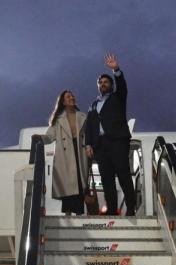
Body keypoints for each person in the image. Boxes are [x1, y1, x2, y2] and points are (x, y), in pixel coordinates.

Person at [85, 53, 137, 216]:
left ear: (111, 85)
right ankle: (112, 211)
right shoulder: (93, 104)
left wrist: (116, 69)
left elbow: (122, 86)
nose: (103, 84)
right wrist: (88, 144)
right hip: (100, 146)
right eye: (100, 83)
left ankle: (131, 208)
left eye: (106, 82)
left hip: (117, 142)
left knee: (123, 175)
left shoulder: (118, 98)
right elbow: (89, 126)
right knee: (107, 179)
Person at [42, 90, 90, 215]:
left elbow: (89, 135)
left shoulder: (83, 116)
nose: (72, 98)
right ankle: (68, 215)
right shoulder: (58, 120)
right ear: (63, 102)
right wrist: (39, 139)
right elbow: (49, 136)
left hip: (79, 151)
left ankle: (79, 214)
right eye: (68, 97)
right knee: (68, 185)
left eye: (72, 96)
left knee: (79, 183)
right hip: (65, 155)